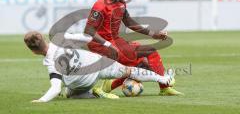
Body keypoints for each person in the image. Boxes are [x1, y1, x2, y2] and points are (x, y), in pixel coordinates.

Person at [84, 0, 183, 95]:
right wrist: (108, 44)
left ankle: (164, 88)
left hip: (116, 41)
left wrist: (153, 34)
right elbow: (88, 30)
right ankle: (106, 87)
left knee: (151, 52)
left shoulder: (120, 2)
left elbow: (129, 22)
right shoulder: (100, 5)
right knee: (142, 64)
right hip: (101, 45)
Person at [24, 31, 174, 103]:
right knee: (129, 71)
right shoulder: (61, 38)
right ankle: (163, 79)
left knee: (68, 92)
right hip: (97, 62)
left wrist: (41, 100)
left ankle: (94, 92)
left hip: (82, 82)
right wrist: (107, 44)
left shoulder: (51, 62)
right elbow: (88, 36)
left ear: (33, 51)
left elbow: (55, 88)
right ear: (43, 38)